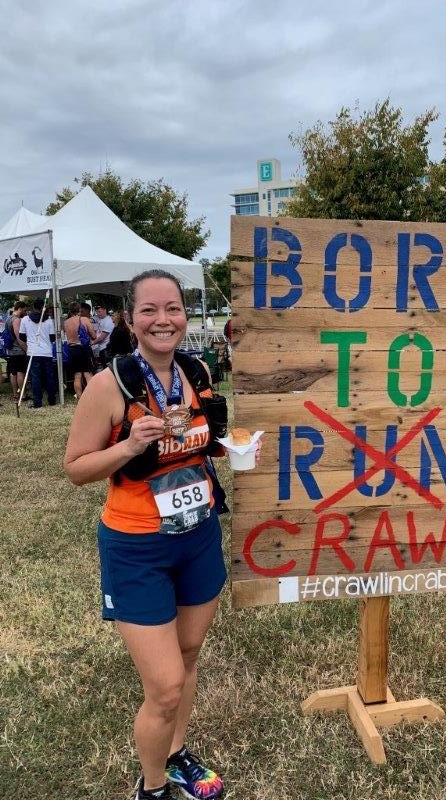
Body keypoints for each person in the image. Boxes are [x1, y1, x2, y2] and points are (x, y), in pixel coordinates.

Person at [64, 270, 227, 800]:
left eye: (174, 308)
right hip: (137, 547)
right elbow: (77, 468)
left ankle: (176, 755)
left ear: (186, 314)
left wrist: (230, 451)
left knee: (191, 653)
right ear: (130, 319)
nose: (164, 320)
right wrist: (130, 446)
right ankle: (152, 786)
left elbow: (201, 444)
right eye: (150, 310)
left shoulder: (197, 369)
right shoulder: (110, 386)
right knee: (165, 686)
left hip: (198, 535)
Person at [19, 297, 57, 408]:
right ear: (43, 308)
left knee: (35, 378)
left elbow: (21, 335)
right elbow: (52, 337)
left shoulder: (25, 319)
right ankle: (52, 400)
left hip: (33, 352)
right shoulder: (49, 320)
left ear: (34, 307)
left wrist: (30, 341)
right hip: (46, 352)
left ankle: (37, 402)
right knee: (49, 377)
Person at [64, 301, 98, 400]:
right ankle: (91, 397)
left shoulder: (66, 322)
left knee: (77, 376)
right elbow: (94, 336)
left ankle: (80, 398)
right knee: (88, 374)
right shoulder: (84, 319)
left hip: (71, 349)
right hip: (83, 349)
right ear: (79, 309)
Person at [5, 301, 29, 401]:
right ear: (20, 308)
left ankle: (15, 394)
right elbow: (19, 337)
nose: (25, 311)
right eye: (24, 309)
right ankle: (23, 395)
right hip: (18, 350)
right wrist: (26, 349)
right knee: (20, 372)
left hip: (10, 350)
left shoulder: (8, 319)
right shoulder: (16, 320)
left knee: (13, 373)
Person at [92, 303, 115, 370]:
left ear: (105, 310)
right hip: (102, 348)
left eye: (99, 312)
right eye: (97, 312)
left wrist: (92, 343)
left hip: (106, 349)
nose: (98, 314)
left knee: (107, 370)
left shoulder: (108, 321)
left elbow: (102, 337)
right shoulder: (101, 319)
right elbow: (92, 319)